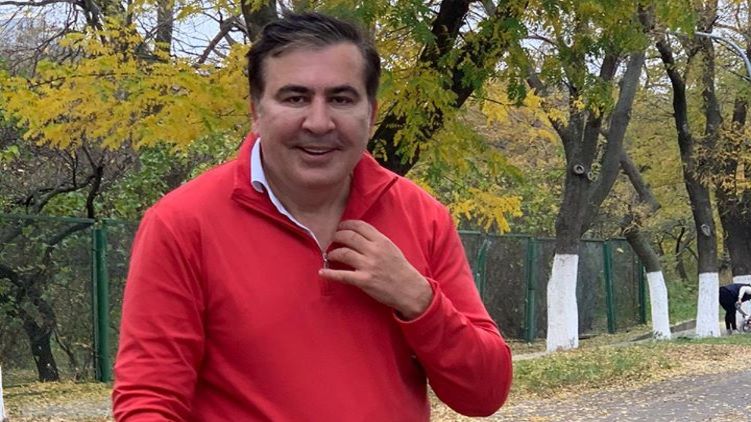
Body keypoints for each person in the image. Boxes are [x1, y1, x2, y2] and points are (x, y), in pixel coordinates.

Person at [112, 12, 512, 421]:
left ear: (371, 113)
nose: (319, 123)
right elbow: (149, 401)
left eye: (341, 99)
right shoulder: (182, 224)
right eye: (295, 98)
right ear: (256, 111)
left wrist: (419, 300)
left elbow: (484, 393)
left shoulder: (423, 217)